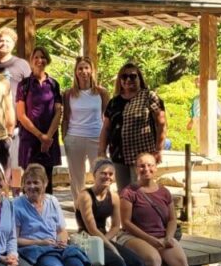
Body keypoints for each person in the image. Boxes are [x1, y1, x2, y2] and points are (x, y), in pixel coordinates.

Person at [118, 152, 208, 266]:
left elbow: (172, 220)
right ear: (136, 168)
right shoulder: (129, 192)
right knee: (153, 258)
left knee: (181, 260)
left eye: (150, 165)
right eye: (142, 166)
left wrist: (168, 236)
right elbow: (126, 223)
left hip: (161, 236)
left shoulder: (164, 192)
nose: (146, 169)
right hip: (134, 236)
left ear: (156, 167)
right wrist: (151, 240)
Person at [75, 157, 150, 266]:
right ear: (94, 175)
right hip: (86, 240)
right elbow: (91, 228)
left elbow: (116, 225)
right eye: (103, 174)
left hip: (104, 237)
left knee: (137, 262)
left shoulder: (114, 197)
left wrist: (108, 241)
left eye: (110, 174)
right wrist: (110, 246)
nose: (107, 177)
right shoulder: (85, 196)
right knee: (117, 261)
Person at [99, 62, 167, 191]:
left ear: (139, 78)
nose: (128, 80)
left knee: (142, 192)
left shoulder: (149, 96)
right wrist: (102, 151)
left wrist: (158, 149)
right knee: (124, 194)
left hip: (142, 155)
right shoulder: (114, 102)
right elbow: (106, 128)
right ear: (120, 80)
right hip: (119, 155)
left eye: (132, 76)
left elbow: (161, 123)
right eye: (124, 77)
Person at [16, 45, 62, 180]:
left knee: (47, 182)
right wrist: (40, 136)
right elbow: (21, 115)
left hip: (50, 138)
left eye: (42, 57)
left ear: (47, 60)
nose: (39, 60)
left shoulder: (54, 84)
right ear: (31, 60)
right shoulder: (24, 85)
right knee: (30, 180)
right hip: (30, 139)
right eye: (36, 57)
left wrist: (47, 137)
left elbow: (58, 112)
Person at [62, 56, 107, 191]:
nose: (83, 71)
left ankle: (100, 204)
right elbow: (65, 118)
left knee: (101, 173)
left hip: (96, 137)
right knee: (76, 178)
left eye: (86, 68)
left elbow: (107, 117)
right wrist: (65, 138)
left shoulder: (101, 92)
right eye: (80, 68)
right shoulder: (69, 94)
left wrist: (106, 140)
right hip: (74, 138)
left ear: (92, 71)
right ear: (76, 72)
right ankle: (79, 208)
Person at [0, 27, 31, 169]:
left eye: (8, 41)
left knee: (16, 164)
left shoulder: (21, 64)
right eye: (1, 40)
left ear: (14, 44)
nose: (4, 44)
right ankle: (1, 190)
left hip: (17, 123)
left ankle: (15, 190)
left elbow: (30, 91)